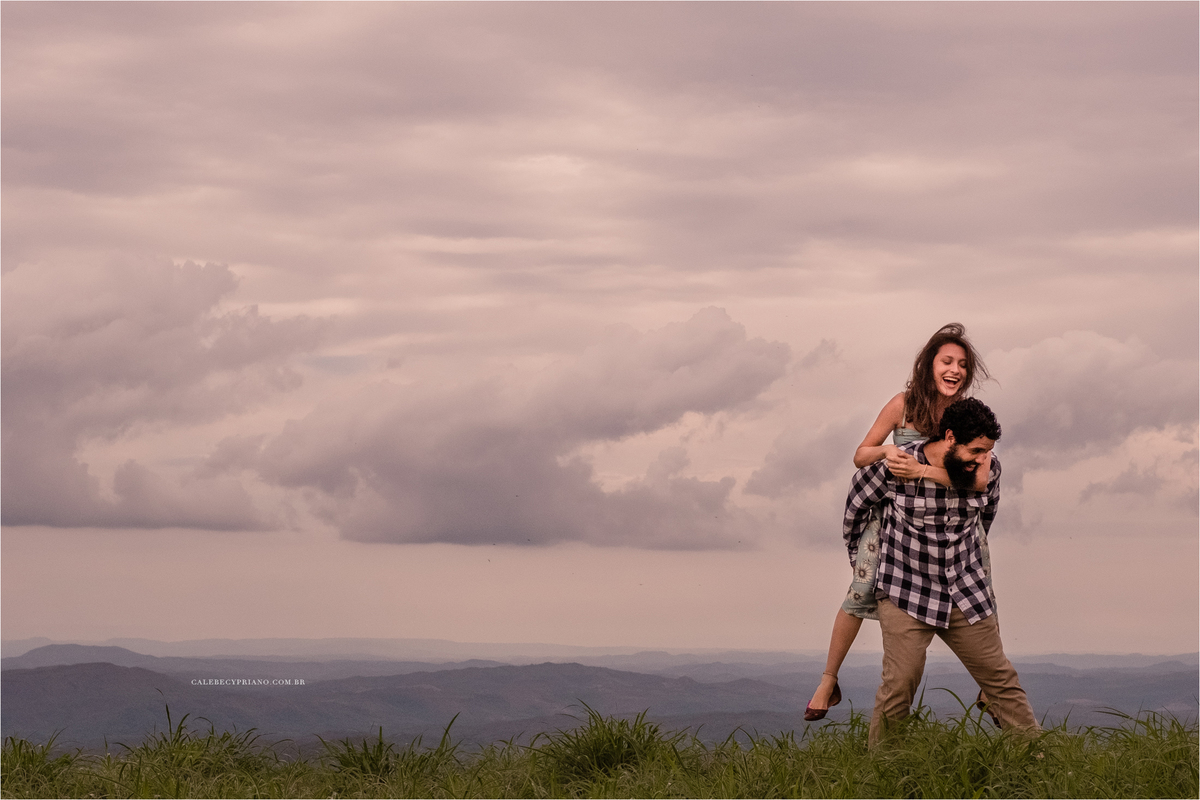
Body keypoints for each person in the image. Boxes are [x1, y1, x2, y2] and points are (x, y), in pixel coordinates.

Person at [806, 323, 993, 721]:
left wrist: (922, 469)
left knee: (979, 585)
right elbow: (861, 455)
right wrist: (895, 450)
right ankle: (828, 678)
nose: (955, 370)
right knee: (862, 585)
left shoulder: (967, 415)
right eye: (947, 361)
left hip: (952, 518)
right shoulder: (903, 405)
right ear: (929, 365)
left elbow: (979, 479)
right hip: (899, 514)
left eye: (962, 364)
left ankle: (989, 689)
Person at [843, 397, 1039, 746]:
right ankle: (882, 776)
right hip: (905, 590)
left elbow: (985, 519)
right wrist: (866, 563)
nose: (984, 460)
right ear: (950, 437)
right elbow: (856, 508)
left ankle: (1038, 764)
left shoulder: (988, 470)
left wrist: (970, 561)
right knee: (899, 685)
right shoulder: (899, 464)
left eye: (989, 451)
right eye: (977, 450)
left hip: (965, 589)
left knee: (1000, 680)